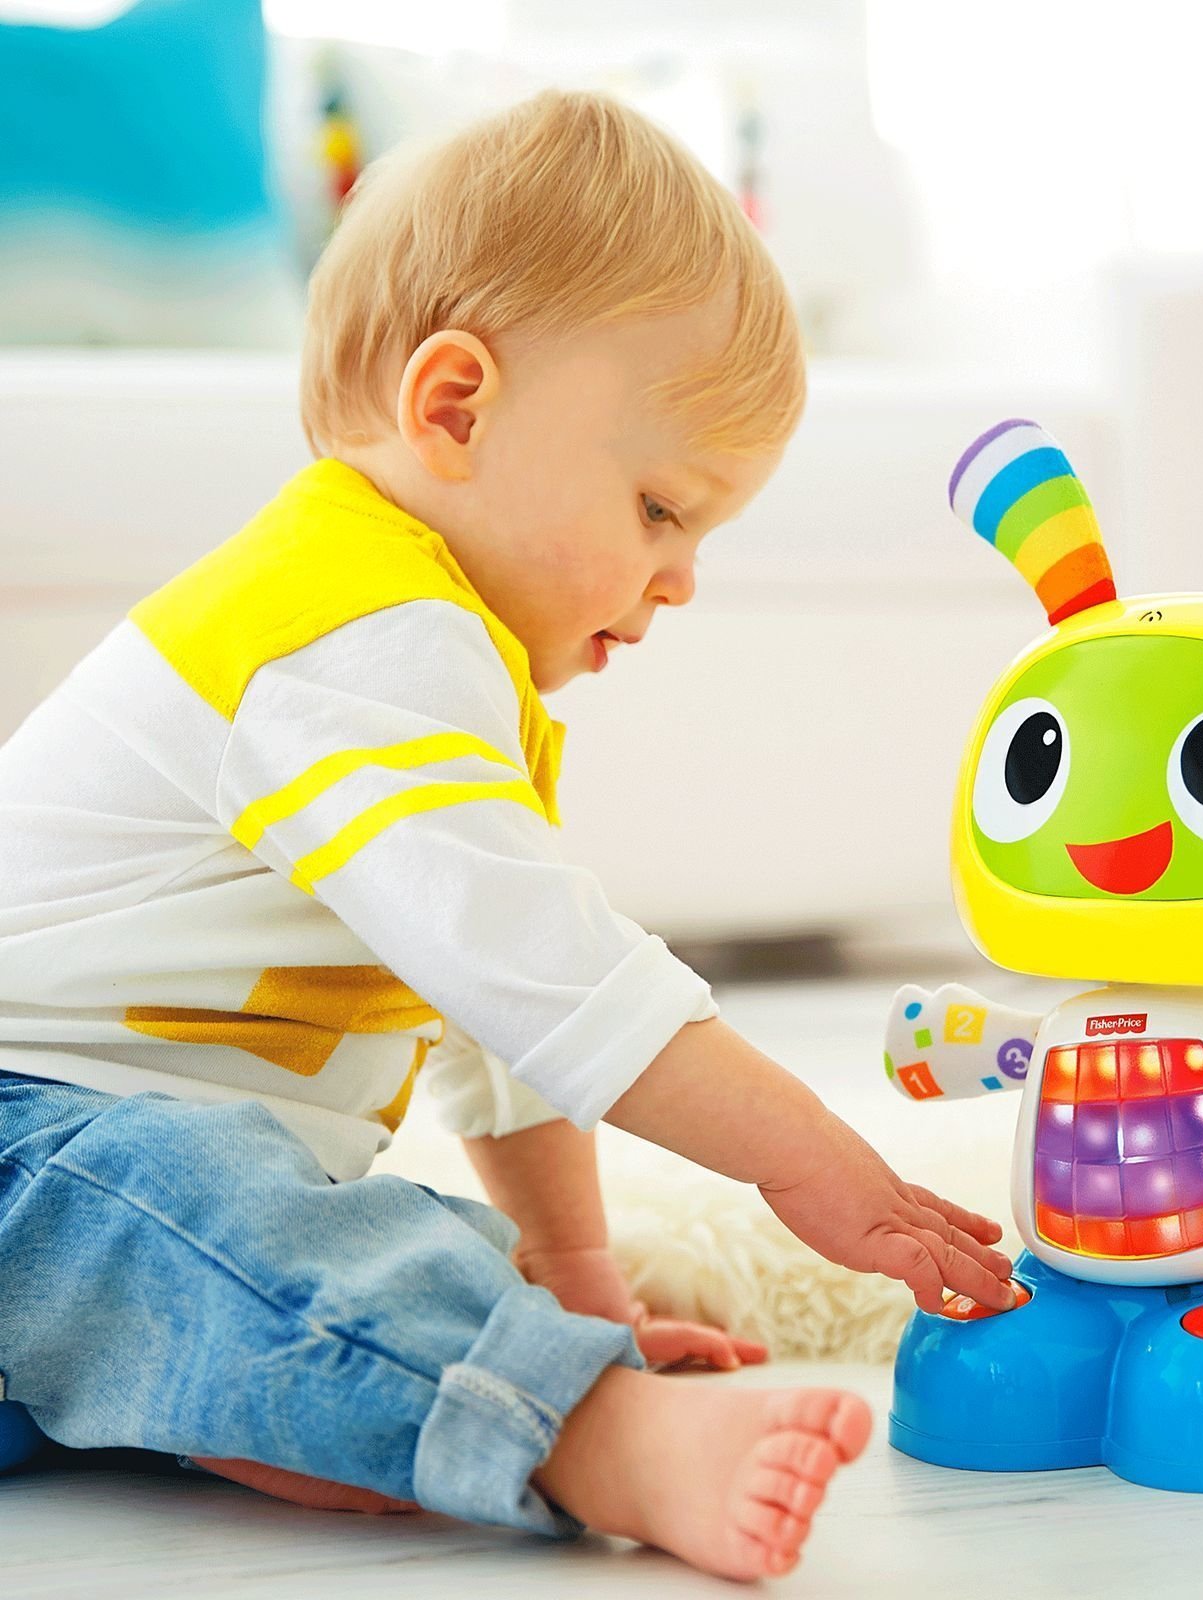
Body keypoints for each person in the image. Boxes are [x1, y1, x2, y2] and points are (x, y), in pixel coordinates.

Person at [0, 90, 1013, 1582]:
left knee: (385, 1246)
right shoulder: (346, 628)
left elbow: (497, 1017)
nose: (680, 579)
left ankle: (285, 1396)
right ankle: (591, 1439)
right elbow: (550, 974)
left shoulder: (439, 677)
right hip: (36, 1143)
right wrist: (809, 1161)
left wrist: (569, 1275)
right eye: (660, 507)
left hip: (87, 1209)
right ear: (456, 409)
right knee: (219, 1220)